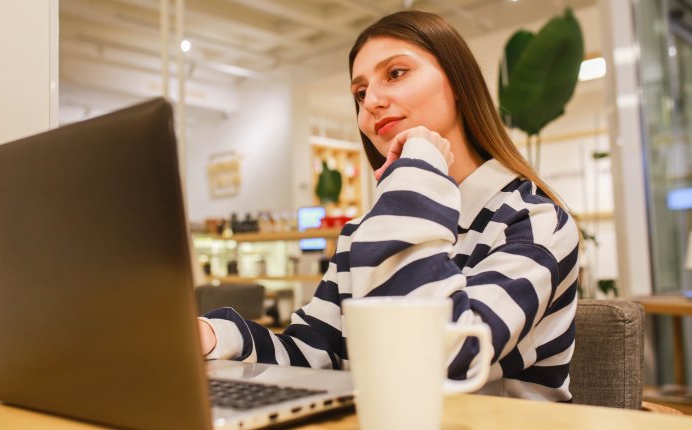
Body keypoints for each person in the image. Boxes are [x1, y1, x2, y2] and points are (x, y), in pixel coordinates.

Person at [198, 10, 579, 402]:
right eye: (360, 94)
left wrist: (420, 166)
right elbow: (312, 356)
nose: (372, 103)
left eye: (396, 73)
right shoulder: (364, 233)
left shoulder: (534, 222)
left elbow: (437, 359)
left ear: (458, 82)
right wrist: (217, 335)